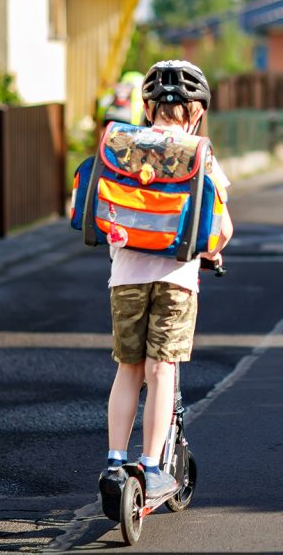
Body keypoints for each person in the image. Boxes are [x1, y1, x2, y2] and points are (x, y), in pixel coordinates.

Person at [102, 60, 234, 498]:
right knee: (163, 369)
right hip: (176, 276)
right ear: (195, 111)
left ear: (146, 104)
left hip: (125, 275)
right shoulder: (199, 153)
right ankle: (152, 466)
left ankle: (115, 463)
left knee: (129, 369)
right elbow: (223, 227)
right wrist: (212, 251)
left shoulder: (122, 144)